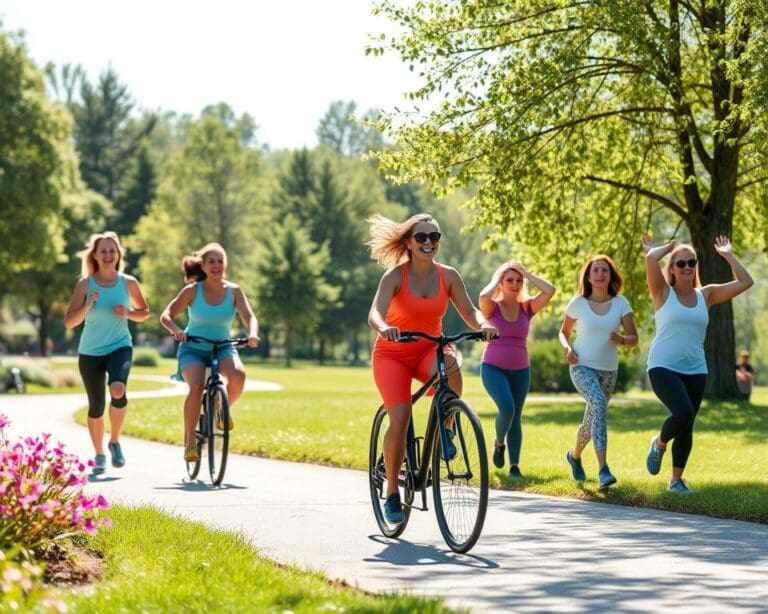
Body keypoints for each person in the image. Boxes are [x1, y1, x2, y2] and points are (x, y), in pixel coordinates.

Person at [367, 213, 498, 524]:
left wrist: (483, 324)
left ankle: (446, 430)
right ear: (409, 243)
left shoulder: (448, 276)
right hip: (393, 354)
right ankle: (392, 492)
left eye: (434, 237)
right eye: (422, 237)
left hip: (429, 348)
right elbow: (375, 313)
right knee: (400, 418)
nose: (429, 242)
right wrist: (385, 327)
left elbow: (469, 310)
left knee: (451, 366)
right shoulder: (395, 276)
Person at [643, 235, 753, 493]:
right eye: (681, 263)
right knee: (683, 413)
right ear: (672, 268)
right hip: (662, 366)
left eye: (691, 262)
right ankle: (659, 443)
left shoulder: (707, 295)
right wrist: (665, 249)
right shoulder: (662, 292)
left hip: (696, 369)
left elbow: (746, 281)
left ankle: (676, 481)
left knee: (687, 424)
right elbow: (650, 259)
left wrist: (728, 255)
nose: (687, 267)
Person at [160, 243, 260, 463]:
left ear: (225, 265)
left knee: (238, 376)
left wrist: (252, 334)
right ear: (203, 266)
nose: (216, 265)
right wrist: (176, 331)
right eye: (211, 261)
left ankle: (221, 411)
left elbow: (249, 316)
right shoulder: (192, 291)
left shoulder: (234, 291)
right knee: (196, 386)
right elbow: (166, 315)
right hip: (193, 348)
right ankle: (190, 443)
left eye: (220, 261)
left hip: (222, 346)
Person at [64, 231, 150, 475]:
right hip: (90, 352)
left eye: (112, 250)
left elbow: (144, 312)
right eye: (103, 251)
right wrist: (88, 304)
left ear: (118, 254)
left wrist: (129, 313)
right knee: (96, 407)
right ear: (95, 255)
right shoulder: (85, 284)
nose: (108, 255)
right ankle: (100, 454)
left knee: (118, 388)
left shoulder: (128, 282)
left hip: (120, 346)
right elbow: (69, 322)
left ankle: (115, 441)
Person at [559, 255, 637, 489]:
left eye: (605, 270)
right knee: (599, 405)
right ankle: (603, 469)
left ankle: (574, 455)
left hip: (609, 371)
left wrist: (622, 340)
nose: (600, 274)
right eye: (596, 270)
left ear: (611, 276)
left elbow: (634, 338)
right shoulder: (578, 303)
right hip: (581, 365)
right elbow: (564, 332)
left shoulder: (621, 303)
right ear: (589, 276)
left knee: (593, 418)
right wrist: (567, 348)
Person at [479, 261, 555, 478]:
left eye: (518, 281)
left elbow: (550, 291)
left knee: (516, 416)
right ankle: (499, 442)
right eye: (510, 280)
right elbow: (483, 297)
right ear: (501, 283)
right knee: (507, 409)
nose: (515, 284)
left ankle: (514, 466)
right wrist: (497, 276)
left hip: (521, 371)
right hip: (493, 369)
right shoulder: (492, 308)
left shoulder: (527, 308)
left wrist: (527, 274)